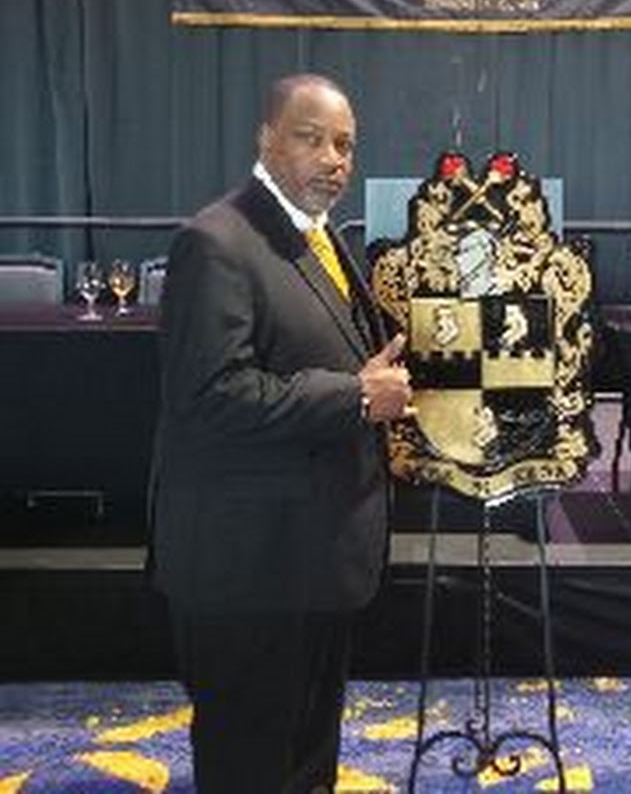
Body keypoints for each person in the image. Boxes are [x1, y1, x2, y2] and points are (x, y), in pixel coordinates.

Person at [147, 73, 413, 793]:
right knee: (251, 766)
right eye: (311, 138)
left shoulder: (321, 240)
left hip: (311, 559)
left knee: (304, 763)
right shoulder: (216, 241)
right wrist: (358, 396)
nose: (333, 160)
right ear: (266, 139)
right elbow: (210, 397)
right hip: (248, 570)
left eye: (345, 145)